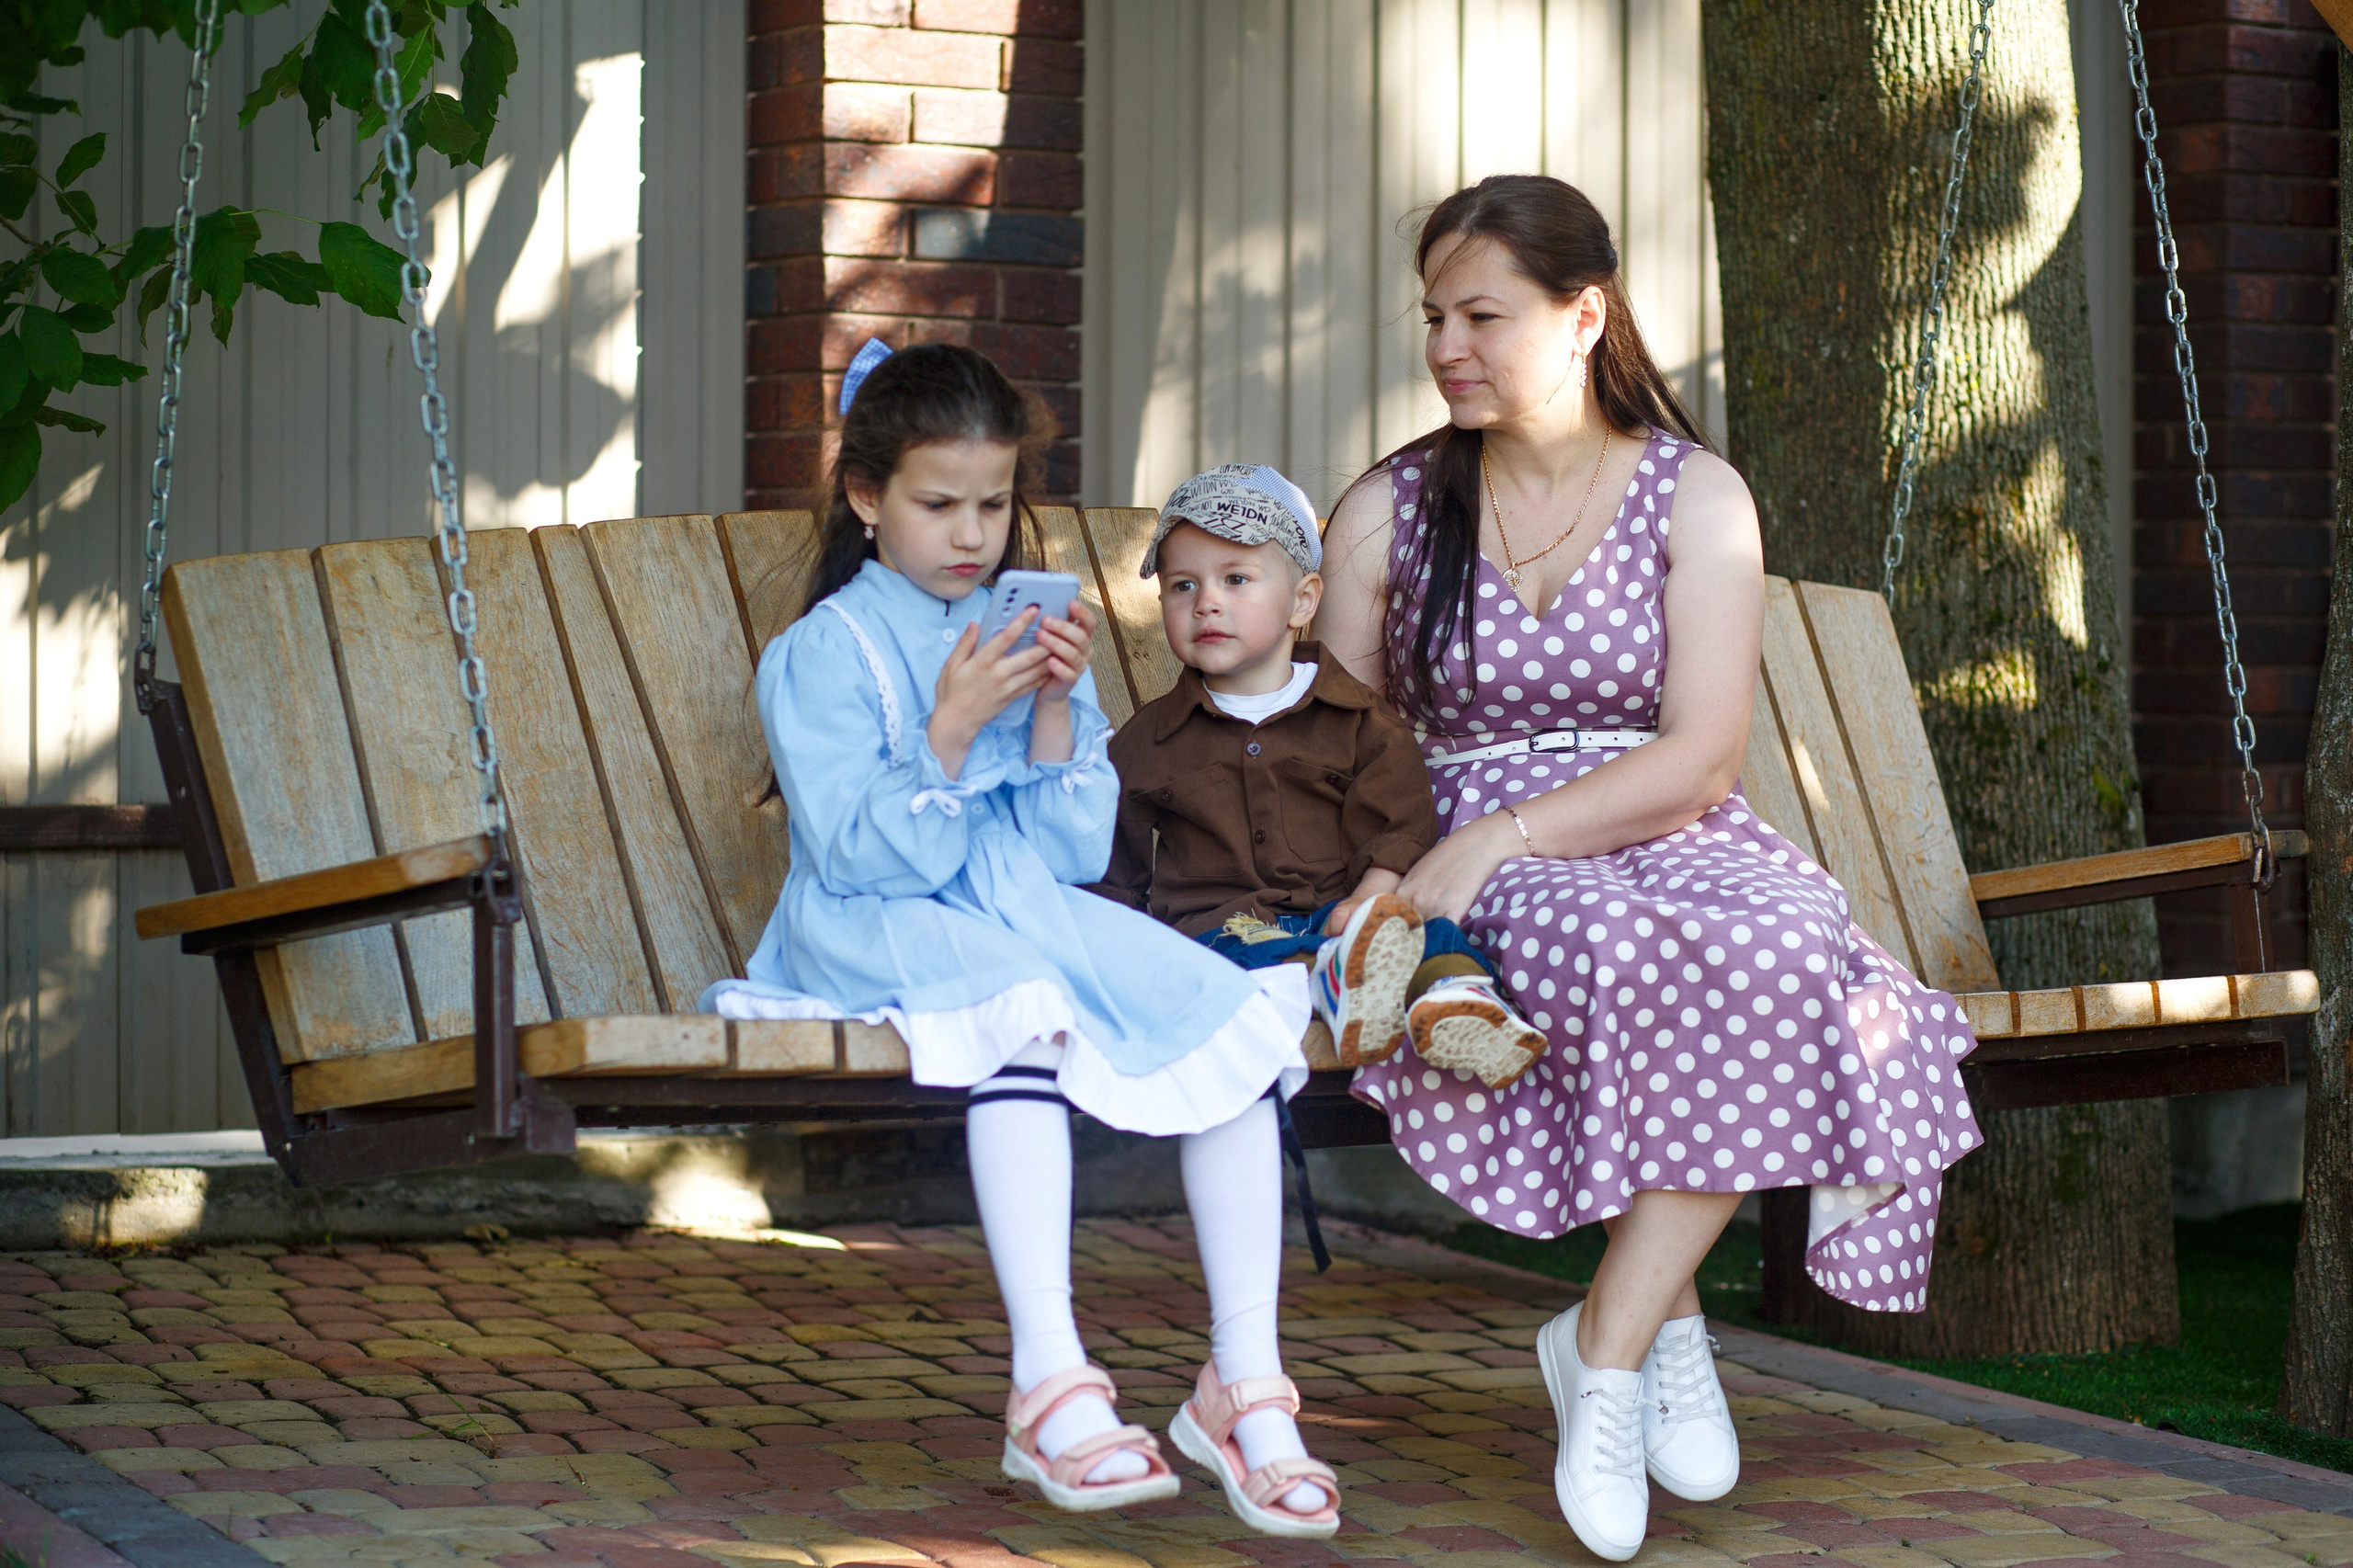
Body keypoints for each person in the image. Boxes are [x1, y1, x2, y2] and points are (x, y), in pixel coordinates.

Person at [1311, 176, 1985, 1562]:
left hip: (1659, 820)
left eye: (1483, 313)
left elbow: (1702, 758)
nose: (1446, 344)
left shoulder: (1698, 494)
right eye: (1433, 314)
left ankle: (1602, 1346)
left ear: (1584, 316)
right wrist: (1431, 858)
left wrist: (1506, 834)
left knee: (1790, 950)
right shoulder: (1390, 510)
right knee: (1617, 957)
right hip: (1464, 840)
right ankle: (1659, 1335)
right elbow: (1343, 743)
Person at [702, 343, 1342, 1537]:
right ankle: (1049, 1379)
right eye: (937, 503)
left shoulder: (1025, 628)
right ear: (865, 499)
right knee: (1026, 1002)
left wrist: (1054, 705)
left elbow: (1066, 850)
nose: (971, 534)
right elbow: (856, 854)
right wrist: (948, 729)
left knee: (1230, 1015)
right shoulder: (823, 654)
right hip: (869, 924)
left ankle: (1244, 1386)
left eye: (993, 504)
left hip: (1023, 911)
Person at [1092, 462, 1549, 1089]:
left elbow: (1398, 819)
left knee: (1427, 932)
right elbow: (1111, 864)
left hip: (1341, 914)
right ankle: (1342, 981)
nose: (1207, 603)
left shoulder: (1358, 722)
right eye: (1181, 586)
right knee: (1246, 959)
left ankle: (1455, 1002)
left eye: (1236, 579)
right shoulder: (1148, 743)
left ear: (1303, 601)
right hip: (1220, 935)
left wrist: (1371, 897)